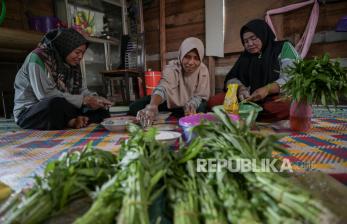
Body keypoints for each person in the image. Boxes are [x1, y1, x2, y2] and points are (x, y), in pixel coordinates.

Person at [13, 28, 112, 130]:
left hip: (62, 104)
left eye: (82, 53)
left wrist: (95, 99)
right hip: (32, 112)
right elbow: (45, 95)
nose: (80, 57)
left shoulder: (71, 63)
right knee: (55, 104)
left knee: (99, 102)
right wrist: (84, 100)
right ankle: (72, 121)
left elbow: (81, 91)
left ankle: (75, 120)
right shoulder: (38, 58)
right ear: (65, 48)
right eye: (77, 52)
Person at [208, 19, 299, 122]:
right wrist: (240, 88)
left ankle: (245, 116)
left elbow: (293, 78)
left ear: (263, 35)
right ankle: (249, 115)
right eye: (245, 41)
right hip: (248, 99)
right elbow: (232, 77)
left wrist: (268, 89)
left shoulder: (283, 47)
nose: (249, 44)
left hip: (273, 98)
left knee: (286, 107)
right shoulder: (245, 56)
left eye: (253, 38)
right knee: (214, 101)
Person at [129, 37, 210, 127]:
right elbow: (163, 87)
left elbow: (200, 95)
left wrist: (192, 104)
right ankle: (166, 112)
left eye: (196, 58)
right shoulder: (173, 67)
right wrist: (152, 106)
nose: (191, 62)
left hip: (188, 106)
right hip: (170, 102)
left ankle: (175, 113)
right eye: (187, 57)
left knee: (201, 109)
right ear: (181, 55)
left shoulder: (203, 70)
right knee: (134, 107)